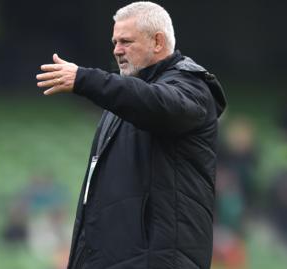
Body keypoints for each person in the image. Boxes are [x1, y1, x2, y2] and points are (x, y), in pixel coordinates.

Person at [37, 1, 226, 268]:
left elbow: (156, 104)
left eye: (126, 41)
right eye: (114, 42)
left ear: (158, 42)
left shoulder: (191, 86)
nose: (116, 50)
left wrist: (85, 79)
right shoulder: (121, 104)